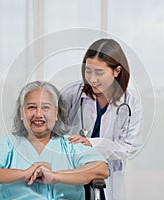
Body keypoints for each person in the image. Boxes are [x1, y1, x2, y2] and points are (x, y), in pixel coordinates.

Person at [0, 81, 109, 200]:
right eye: (31, 107)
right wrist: (23, 174)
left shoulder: (70, 144)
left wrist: (56, 177)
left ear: (56, 113)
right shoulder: (8, 145)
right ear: (21, 113)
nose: (38, 114)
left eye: (46, 107)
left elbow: (101, 169)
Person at [61, 38, 143, 200]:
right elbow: (54, 132)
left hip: (107, 178)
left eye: (99, 72)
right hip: (71, 174)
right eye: (88, 70)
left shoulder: (131, 103)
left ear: (117, 71)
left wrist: (92, 143)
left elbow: (129, 148)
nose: (92, 79)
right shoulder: (72, 94)